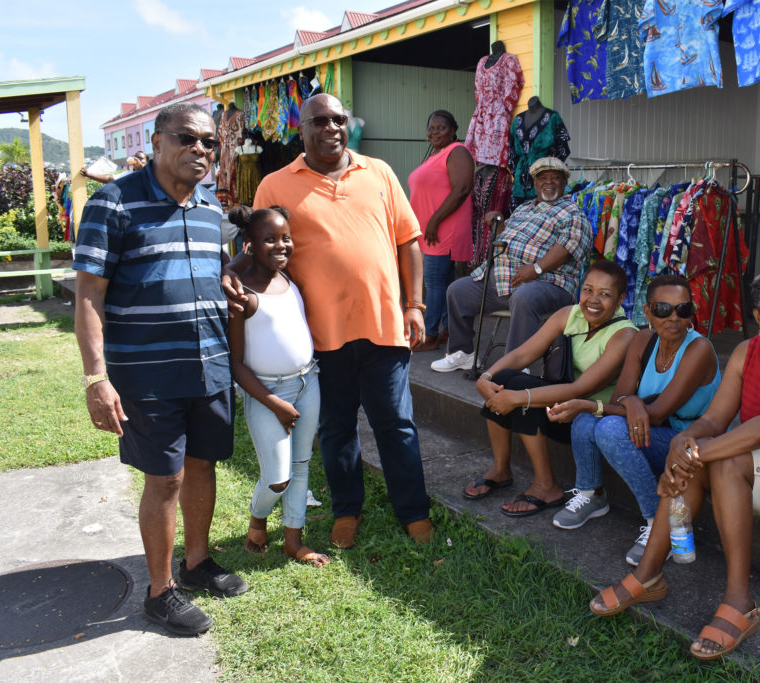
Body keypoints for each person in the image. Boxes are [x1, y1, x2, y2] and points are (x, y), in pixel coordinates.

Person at [589, 267, 760, 662]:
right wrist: (682, 442)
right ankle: (647, 576)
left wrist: (693, 454)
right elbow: (714, 418)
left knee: (722, 458)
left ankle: (739, 601)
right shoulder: (747, 352)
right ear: (758, 317)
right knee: (708, 450)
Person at [224, 93, 434, 549]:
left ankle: (414, 512)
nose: (331, 128)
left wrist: (414, 305)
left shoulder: (378, 172)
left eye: (339, 120)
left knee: (396, 423)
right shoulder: (276, 185)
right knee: (337, 428)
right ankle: (346, 510)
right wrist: (227, 275)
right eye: (320, 121)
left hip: (383, 327)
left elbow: (408, 240)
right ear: (303, 129)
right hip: (319, 334)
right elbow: (255, 249)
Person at [74, 102, 246, 637]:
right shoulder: (113, 204)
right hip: (148, 373)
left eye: (209, 143)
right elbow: (88, 296)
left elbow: (207, 271)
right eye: (187, 138)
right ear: (156, 141)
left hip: (210, 365)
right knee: (165, 478)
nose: (200, 149)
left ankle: (195, 565)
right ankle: (159, 591)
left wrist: (228, 289)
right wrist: (96, 378)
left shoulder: (211, 207)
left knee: (203, 466)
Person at [548, 274, 720, 566]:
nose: (674, 318)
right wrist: (631, 402)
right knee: (586, 421)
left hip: (690, 445)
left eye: (684, 309)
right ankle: (591, 493)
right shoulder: (643, 340)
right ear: (649, 311)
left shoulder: (698, 349)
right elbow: (622, 398)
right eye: (664, 309)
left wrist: (592, 403)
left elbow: (658, 413)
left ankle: (660, 524)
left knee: (609, 426)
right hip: (655, 435)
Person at [466, 260, 637, 515]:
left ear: (621, 298)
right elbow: (523, 354)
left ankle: (546, 486)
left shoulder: (624, 335)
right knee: (506, 378)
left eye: (605, 294)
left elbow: (580, 389)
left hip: (587, 418)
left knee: (521, 393)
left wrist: (518, 398)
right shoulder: (570, 315)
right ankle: (501, 469)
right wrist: (487, 376)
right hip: (559, 406)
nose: (593, 300)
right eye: (588, 290)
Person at [226, 205, 330, 568]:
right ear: (249, 245)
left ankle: (293, 543)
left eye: (286, 238)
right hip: (266, 394)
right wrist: (274, 403)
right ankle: (258, 518)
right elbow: (236, 365)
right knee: (277, 479)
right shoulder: (243, 296)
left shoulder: (289, 280)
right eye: (269, 239)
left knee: (301, 466)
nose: (281, 245)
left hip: (308, 382)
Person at [432, 156, 592, 372]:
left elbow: (568, 247)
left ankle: (515, 364)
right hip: (505, 281)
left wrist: (536, 269)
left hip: (551, 284)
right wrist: (499, 225)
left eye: (556, 178)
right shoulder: (524, 208)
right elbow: (507, 241)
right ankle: (463, 354)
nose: (549, 182)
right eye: (543, 178)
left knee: (525, 296)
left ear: (564, 183)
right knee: (457, 290)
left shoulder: (573, 213)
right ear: (534, 183)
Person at [409, 110, 474, 352]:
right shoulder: (437, 154)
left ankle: (430, 334)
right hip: (432, 230)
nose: (435, 132)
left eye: (441, 127)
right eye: (432, 127)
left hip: (443, 229)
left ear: (454, 130)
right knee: (444, 283)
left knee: (434, 282)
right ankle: (447, 329)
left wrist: (434, 220)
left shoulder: (457, 151)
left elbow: (462, 188)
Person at [80, 151, 147, 184]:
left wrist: (141, 169)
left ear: (147, 161)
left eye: (140, 158)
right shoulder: (128, 175)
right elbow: (109, 178)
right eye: (135, 157)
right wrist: (88, 174)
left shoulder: (153, 174)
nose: (137, 159)